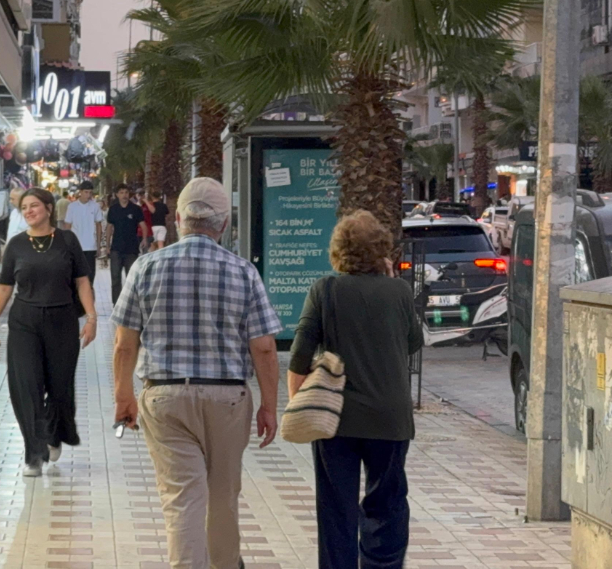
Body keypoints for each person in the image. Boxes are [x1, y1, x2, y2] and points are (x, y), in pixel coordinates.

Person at [112, 177, 282, 569]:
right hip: (227, 399)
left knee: (183, 498)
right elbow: (264, 347)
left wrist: (124, 397)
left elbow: (124, 344)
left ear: (178, 221)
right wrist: (269, 407)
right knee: (223, 495)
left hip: (165, 396)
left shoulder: (145, 267)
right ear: (223, 225)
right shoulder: (243, 272)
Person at [289, 210, 422, 569]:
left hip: (336, 419)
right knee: (388, 502)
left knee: (335, 507)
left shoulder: (325, 290)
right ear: (382, 249)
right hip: (391, 418)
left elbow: (299, 357)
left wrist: (298, 405)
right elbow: (414, 342)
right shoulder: (399, 292)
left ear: (338, 251)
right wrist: (390, 281)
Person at [0, 187, 99, 477]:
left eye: (34, 205)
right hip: (25, 322)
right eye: (25, 208)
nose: (29, 211)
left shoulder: (67, 240)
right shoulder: (16, 245)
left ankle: (54, 432)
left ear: (49, 208)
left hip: (62, 319)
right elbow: (5, 288)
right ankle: (33, 453)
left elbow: (82, 281)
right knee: (27, 386)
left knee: (59, 388)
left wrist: (91, 317)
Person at [105, 184, 145, 305]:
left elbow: (143, 225)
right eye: (121, 192)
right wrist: (107, 245)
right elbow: (109, 227)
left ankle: (130, 303)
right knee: (115, 278)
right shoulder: (113, 209)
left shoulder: (136, 209)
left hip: (131, 249)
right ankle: (116, 304)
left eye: (126, 192)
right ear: (117, 195)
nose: (124, 195)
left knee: (131, 279)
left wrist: (144, 239)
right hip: (116, 249)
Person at [63, 180, 105, 285]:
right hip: (76, 246)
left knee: (90, 276)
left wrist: (99, 246)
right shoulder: (72, 207)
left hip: (91, 246)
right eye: (86, 192)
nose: (88, 195)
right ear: (80, 192)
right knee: (75, 275)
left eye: (90, 192)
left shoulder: (95, 206)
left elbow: (99, 226)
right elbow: (67, 226)